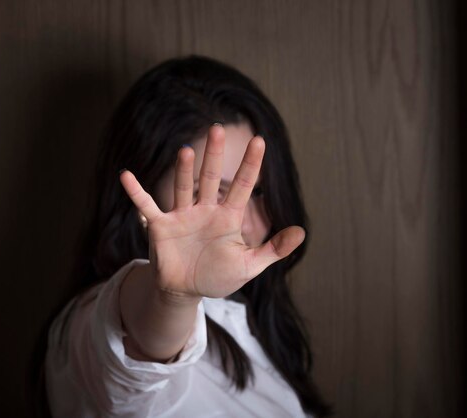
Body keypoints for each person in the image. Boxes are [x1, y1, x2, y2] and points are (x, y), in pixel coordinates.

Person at [43, 55, 332, 417]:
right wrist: (173, 298)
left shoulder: (254, 321)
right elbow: (137, 355)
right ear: (141, 195)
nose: (242, 224)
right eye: (209, 195)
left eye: (258, 193)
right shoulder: (89, 329)